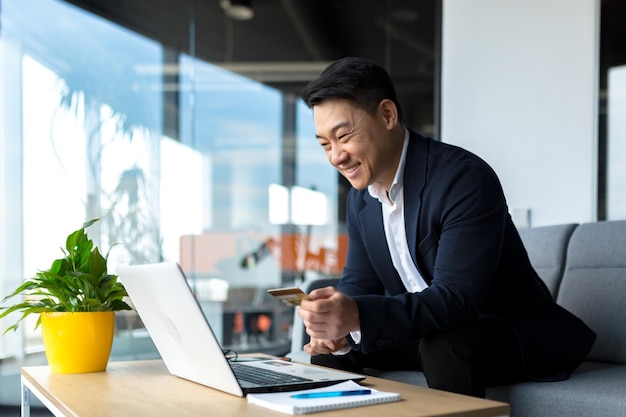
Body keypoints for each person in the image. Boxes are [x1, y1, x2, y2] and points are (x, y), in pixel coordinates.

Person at [296, 56, 596, 398]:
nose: (336, 156)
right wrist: (334, 321)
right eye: (325, 144)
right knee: (330, 351)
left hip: (503, 329)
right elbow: (360, 281)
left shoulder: (464, 178)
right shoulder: (361, 199)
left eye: (344, 136)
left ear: (388, 115)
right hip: (427, 332)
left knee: (444, 344)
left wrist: (358, 314)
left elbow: (459, 299)